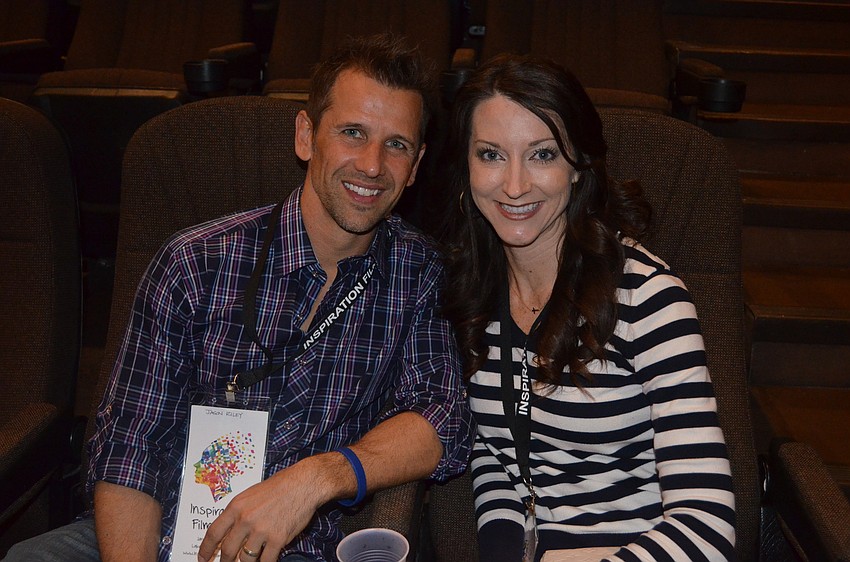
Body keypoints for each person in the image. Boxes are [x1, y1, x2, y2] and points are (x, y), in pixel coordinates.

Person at [4, 34, 473, 562]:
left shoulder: (417, 271)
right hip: (148, 529)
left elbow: (442, 418)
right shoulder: (194, 261)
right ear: (305, 135)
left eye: (397, 144)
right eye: (352, 133)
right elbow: (129, 450)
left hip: (292, 548)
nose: (371, 164)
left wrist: (314, 478)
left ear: (415, 166)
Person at [439, 53, 736, 561]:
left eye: (542, 154)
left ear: (579, 167)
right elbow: (495, 447)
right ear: (466, 166)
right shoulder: (471, 290)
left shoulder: (648, 298)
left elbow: (708, 524)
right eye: (491, 154)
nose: (514, 186)